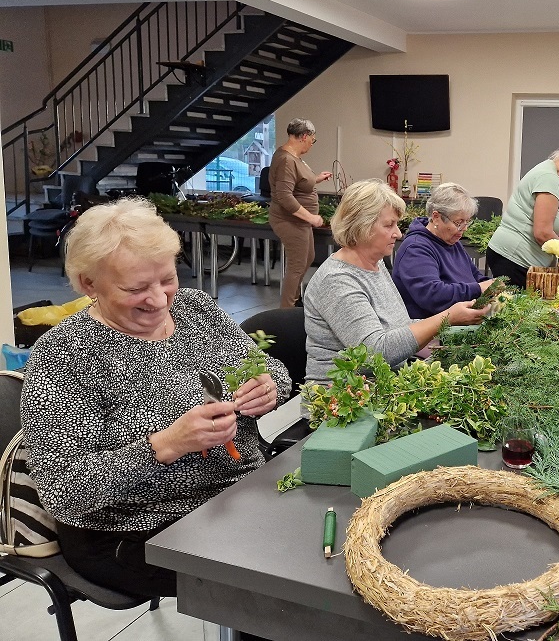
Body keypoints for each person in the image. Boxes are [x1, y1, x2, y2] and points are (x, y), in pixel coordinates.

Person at [20, 198, 290, 600]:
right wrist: (166, 445)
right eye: (136, 288)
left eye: (166, 279)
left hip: (238, 493)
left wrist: (269, 387)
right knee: (280, 582)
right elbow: (64, 489)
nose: (160, 300)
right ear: (89, 284)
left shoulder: (197, 310)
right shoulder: (65, 354)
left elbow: (271, 371)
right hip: (133, 528)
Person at [304, 180, 489, 381]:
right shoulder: (336, 280)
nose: (398, 233)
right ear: (362, 227)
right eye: (389, 225)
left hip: (384, 384)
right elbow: (375, 353)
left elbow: (399, 326)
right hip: (343, 399)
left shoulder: (375, 264)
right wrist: (447, 318)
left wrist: (451, 331)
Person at [486, 138, 559, 287]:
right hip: (514, 259)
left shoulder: (551, 173)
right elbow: (542, 233)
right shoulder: (548, 179)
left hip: (515, 258)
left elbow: (547, 220)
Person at [392, 183, 494, 318]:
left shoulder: (451, 241)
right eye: (459, 223)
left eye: (467, 222)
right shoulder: (415, 249)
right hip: (434, 330)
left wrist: (493, 287)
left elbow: (475, 276)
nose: (464, 229)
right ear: (436, 217)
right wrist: (479, 289)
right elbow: (433, 295)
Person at [268, 118, 334, 308]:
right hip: (289, 221)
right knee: (297, 265)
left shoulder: (293, 158)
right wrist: (311, 217)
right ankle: (286, 310)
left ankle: (295, 299)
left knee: (308, 257)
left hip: (299, 222)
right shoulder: (286, 160)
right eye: (312, 140)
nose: (312, 144)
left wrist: (317, 179)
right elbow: (285, 197)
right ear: (304, 136)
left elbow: (298, 182)